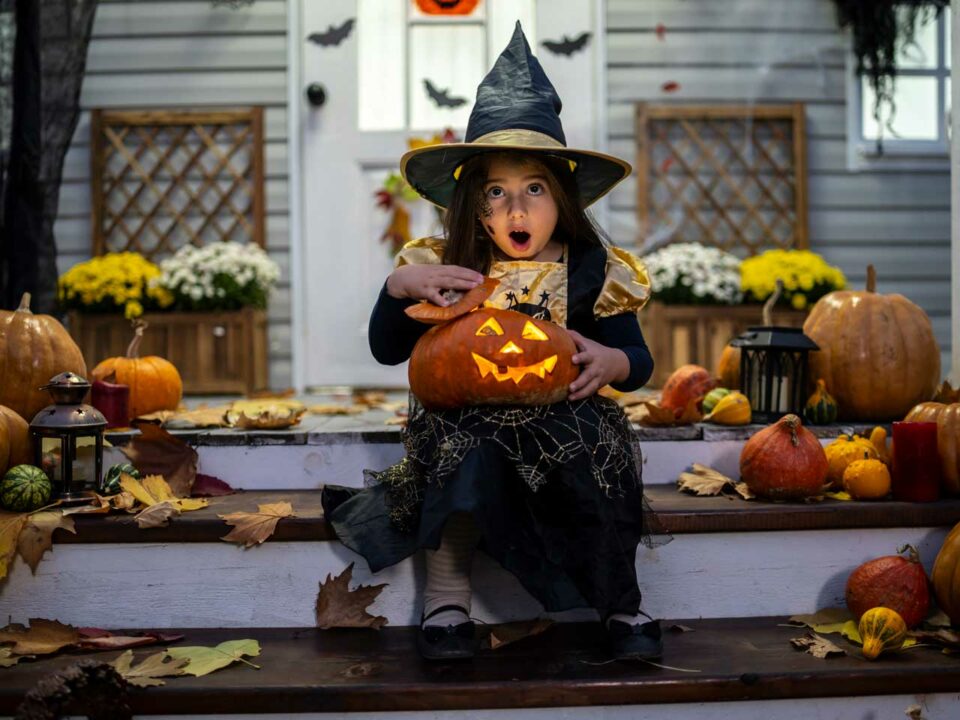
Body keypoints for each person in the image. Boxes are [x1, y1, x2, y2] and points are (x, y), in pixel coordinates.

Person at [321, 22, 666, 662]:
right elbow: (386, 351)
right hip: (467, 416)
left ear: (560, 199)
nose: (516, 210)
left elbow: (638, 360)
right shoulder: (445, 267)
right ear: (474, 209)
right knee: (461, 453)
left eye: (534, 189)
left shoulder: (594, 268)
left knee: (599, 457)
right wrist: (398, 288)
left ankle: (619, 602)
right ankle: (447, 596)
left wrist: (615, 360)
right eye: (496, 193)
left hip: (568, 416)